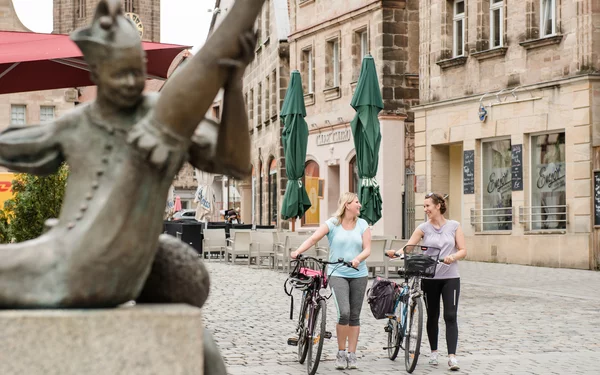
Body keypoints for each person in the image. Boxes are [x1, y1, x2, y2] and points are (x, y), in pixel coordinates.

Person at [386, 192, 467, 371]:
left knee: (450, 316)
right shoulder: (423, 227)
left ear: (438, 206)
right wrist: (396, 253)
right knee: (432, 315)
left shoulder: (454, 226)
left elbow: (463, 250)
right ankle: (433, 352)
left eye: (428, 206)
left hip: (450, 277)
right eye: (424, 206)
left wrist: (452, 257)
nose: (425, 209)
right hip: (429, 278)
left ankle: (452, 357)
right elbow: (409, 246)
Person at [291, 192, 371, 370]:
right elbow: (313, 238)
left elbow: (368, 249)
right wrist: (297, 251)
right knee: (344, 312)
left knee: (355, 315)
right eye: (356, 202)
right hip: (337, 273)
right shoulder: (333, 224)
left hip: (359, 274)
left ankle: (352, 354)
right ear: (347, 205)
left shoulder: (363, 224)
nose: (359, 205)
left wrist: (358, 259)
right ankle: (341, 352)